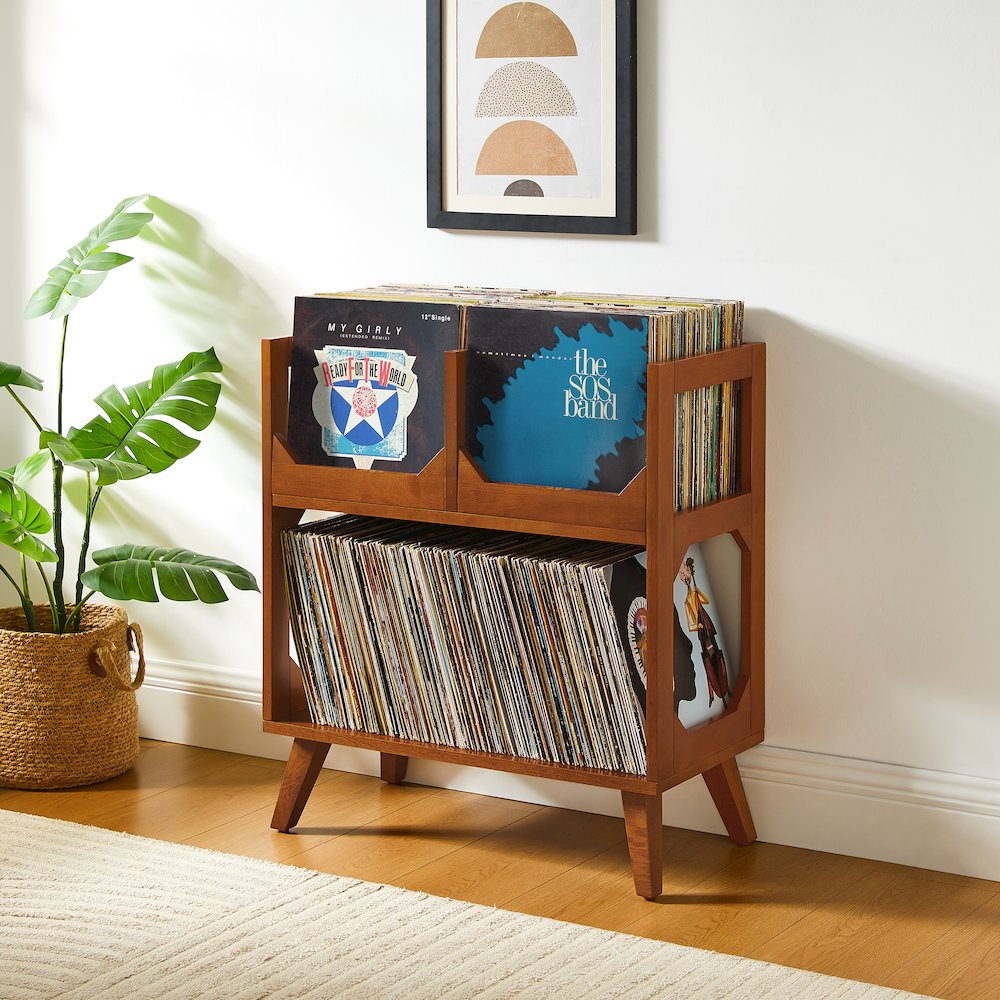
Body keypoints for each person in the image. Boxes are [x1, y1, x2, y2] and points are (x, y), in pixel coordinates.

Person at [678, 556, 729, 707]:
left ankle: (720, 690)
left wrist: (696, 589)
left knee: (714, 650)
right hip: (701, 630)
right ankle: (712, 694)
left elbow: (705, 600)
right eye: (684, 577)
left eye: (687, 576)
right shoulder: (687, 599)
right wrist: (697, 626)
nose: (686, 579)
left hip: (707, 625)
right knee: (708, 661)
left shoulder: (694, 592)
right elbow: (690, 622)